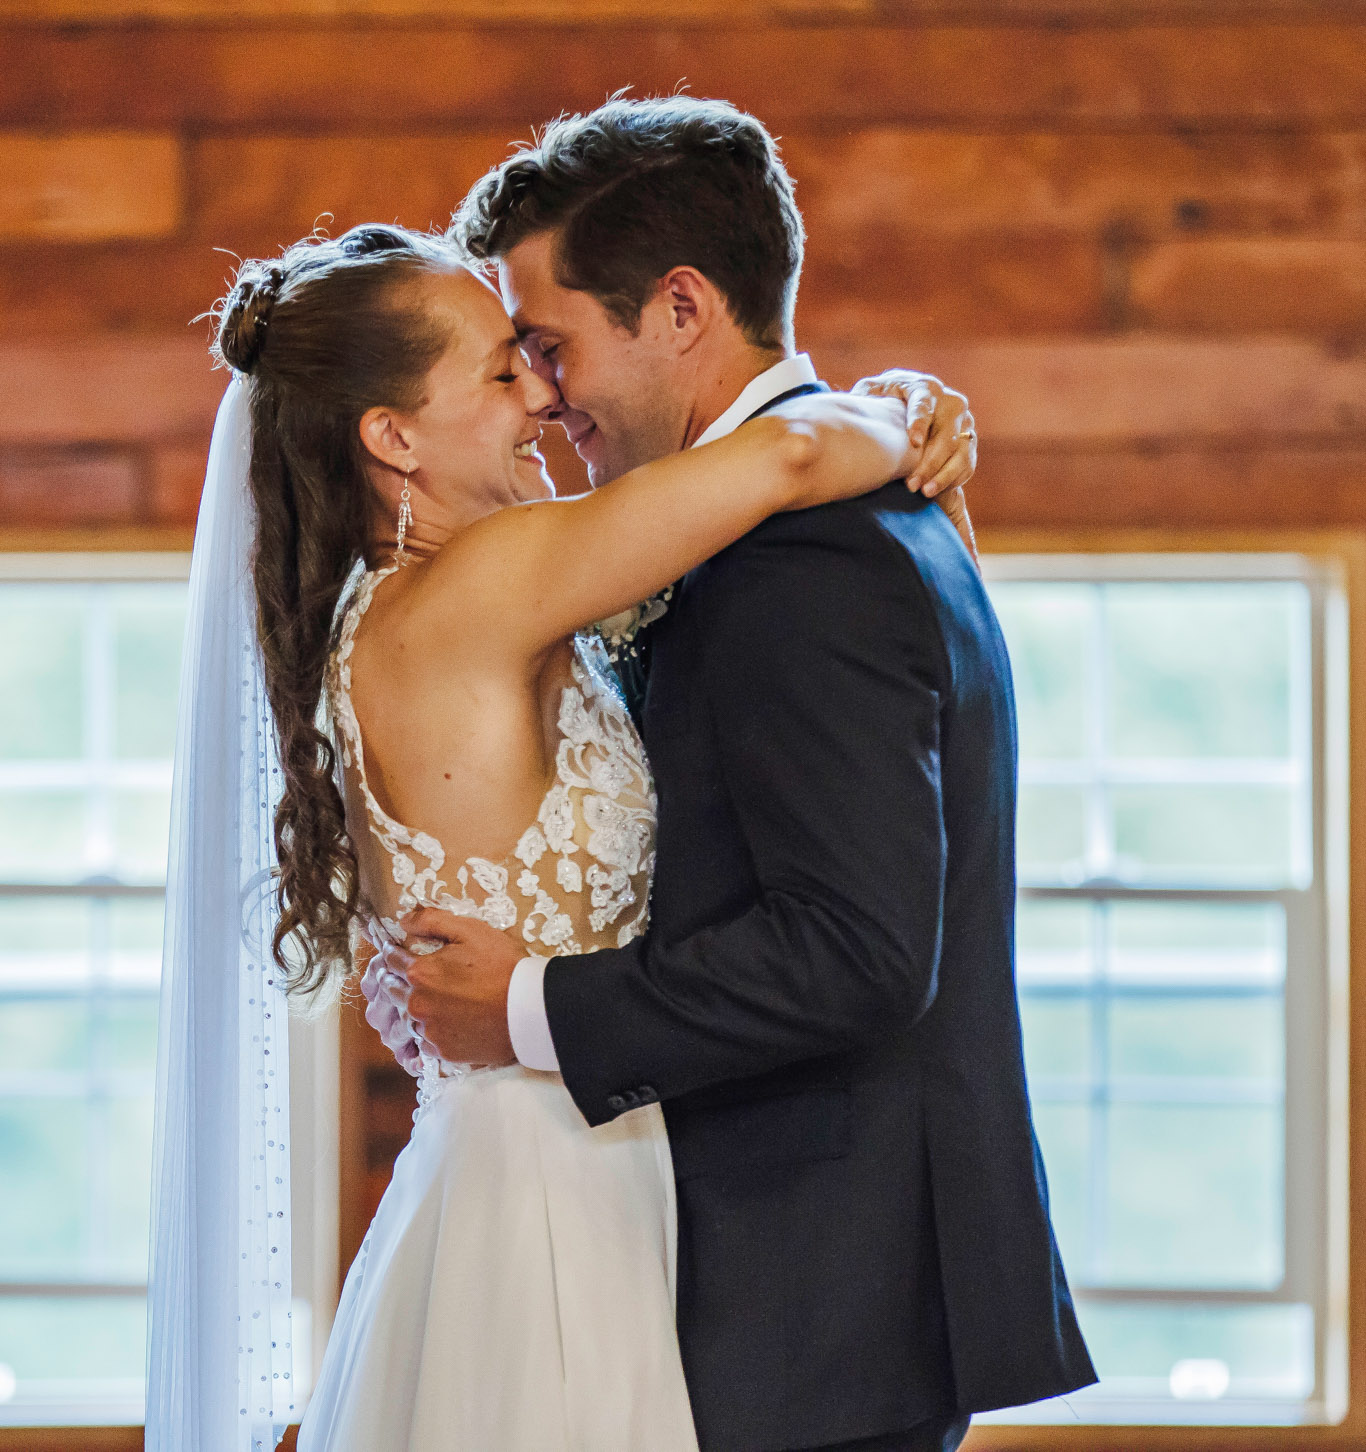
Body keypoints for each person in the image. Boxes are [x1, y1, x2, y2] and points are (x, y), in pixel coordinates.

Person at [185, 219, 978, 1452]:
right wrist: (906, 410)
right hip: (555, 1193)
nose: (541, 399)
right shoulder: (486, 581)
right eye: (502, 372)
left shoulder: (394, 612)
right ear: (393, 438)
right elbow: (788, 456)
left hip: (521, 1159)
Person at [377, 96, 1097, 1452]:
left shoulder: (800, 567)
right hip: (783, 1286)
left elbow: (860, 951)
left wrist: (530, 1005)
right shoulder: (809, 514)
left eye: (552, 343)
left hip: (812, 1297)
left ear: (684, 308)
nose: (541, 392)